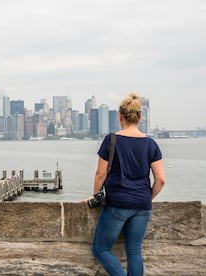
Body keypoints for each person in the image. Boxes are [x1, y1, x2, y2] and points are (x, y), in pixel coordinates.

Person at [85, 93, 165, 275]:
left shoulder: (111, 140)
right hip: (142, 205)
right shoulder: (150, 144)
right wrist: (147, 197)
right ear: (140, 117)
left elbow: (100, 174)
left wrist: (96, 196)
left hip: (118, 205)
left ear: (120, 117)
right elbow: (160, 179)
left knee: (100, 249)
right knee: (134, 252)